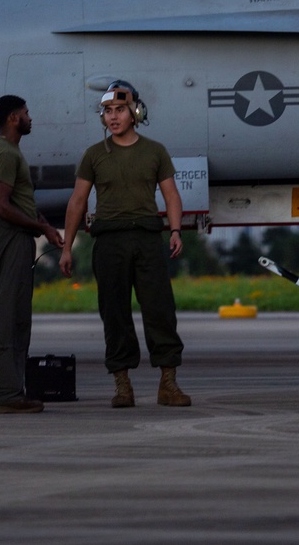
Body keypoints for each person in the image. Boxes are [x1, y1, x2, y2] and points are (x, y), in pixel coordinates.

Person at [60, 81, 190, 408]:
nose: (113, 117)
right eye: (107, 112)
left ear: (135, 113)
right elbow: (77, 202)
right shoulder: (93, 156)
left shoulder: (155, 151)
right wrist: (66, 247)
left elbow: (171, 195)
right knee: (114, 313)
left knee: (160, 310)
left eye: (119, 110)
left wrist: (175, 230)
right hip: (109, 241)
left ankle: (168, 384)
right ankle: (122, 385)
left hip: (147, 238)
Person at [0, 93, 64, 414]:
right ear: (14, 118)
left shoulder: (11, 152)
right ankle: (5, 393)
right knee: (8, 319)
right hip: (10, 239)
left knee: (19, 320)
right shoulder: (4, 154)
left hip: (19, 239)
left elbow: (19, 201)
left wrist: (43, 225)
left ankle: (13, 391)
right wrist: (42, 228)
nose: (31, 118)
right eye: (27, 113)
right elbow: (2, 205)